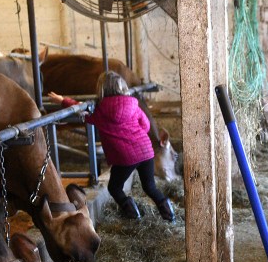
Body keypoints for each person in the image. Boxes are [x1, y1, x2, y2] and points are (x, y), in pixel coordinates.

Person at [47, 71, 174, 223]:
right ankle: (170, 216)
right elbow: (146, 126)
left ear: (101, 89)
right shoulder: (134, 104)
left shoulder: (100, 111)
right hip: (146, 151)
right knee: (150, 188)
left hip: (126, 157)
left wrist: (63, 100)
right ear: (122, 87)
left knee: (114, 188)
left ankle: (134, 216)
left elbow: (82, 109)